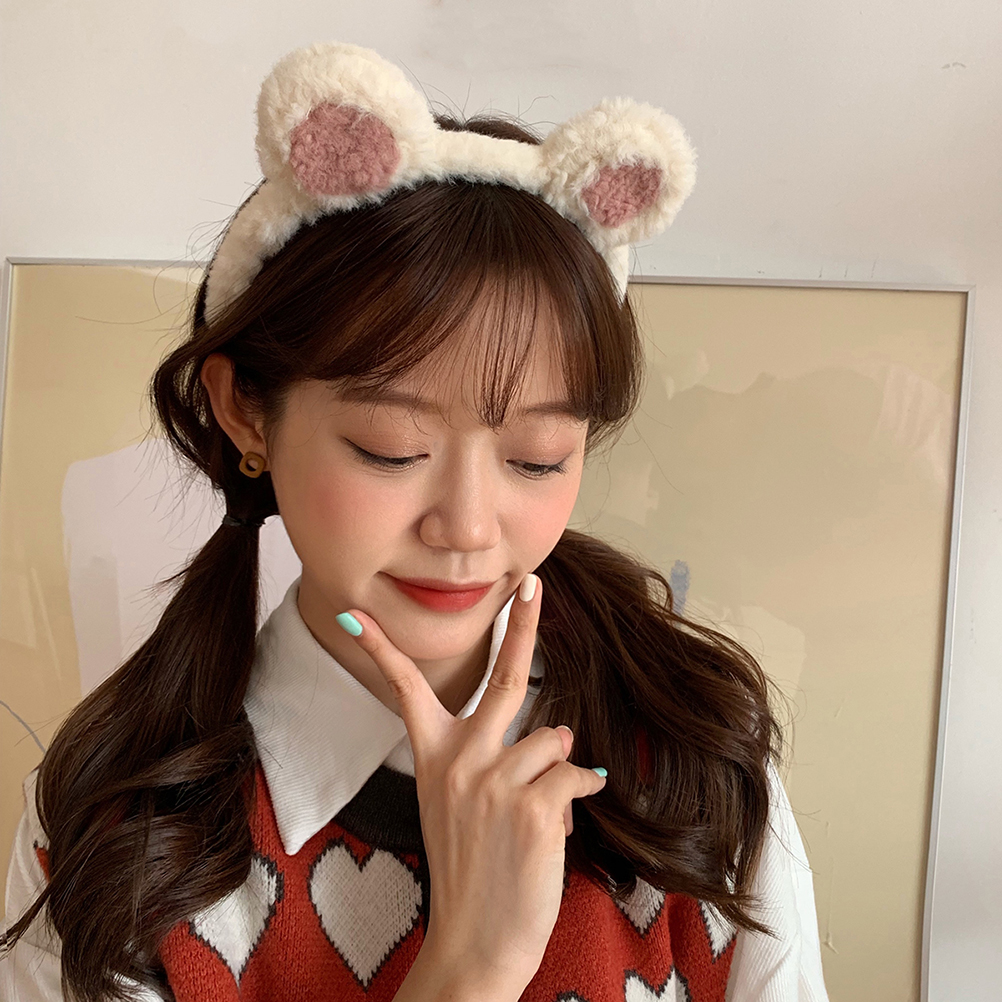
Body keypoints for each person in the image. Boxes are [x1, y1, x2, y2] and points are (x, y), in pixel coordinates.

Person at [1, 41, 828, 1002]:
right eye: (391, 449)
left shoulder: (694, 767)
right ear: (246, 414)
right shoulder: (117, 833)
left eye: (536, 459)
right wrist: (466, 970)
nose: (467, 528)